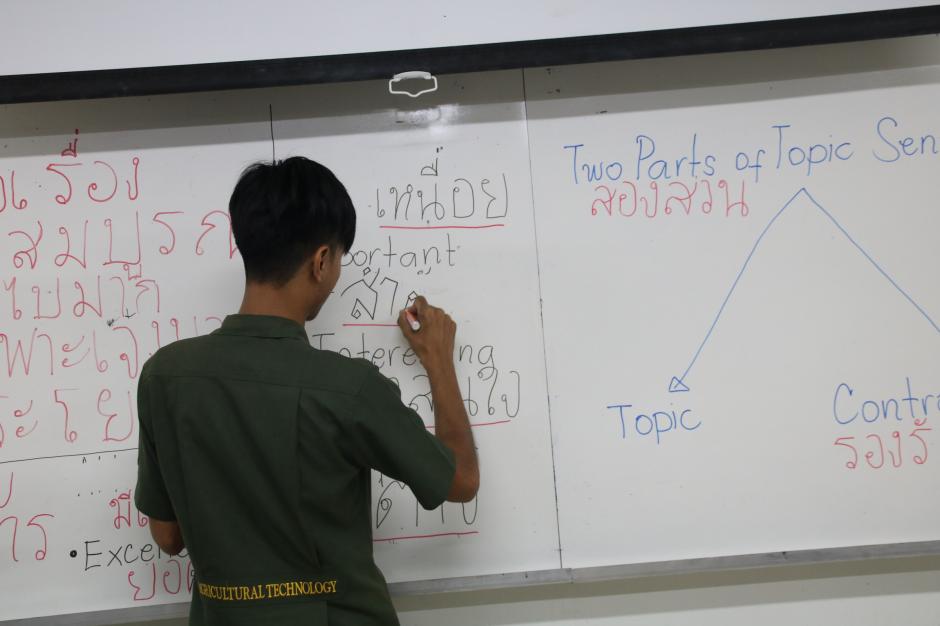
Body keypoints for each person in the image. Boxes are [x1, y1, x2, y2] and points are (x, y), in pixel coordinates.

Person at [134, 156, 479, 625]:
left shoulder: (163, 377)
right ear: (321, 261)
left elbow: (168, 536)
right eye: (338, 260)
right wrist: (438, 361)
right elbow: (460, 480)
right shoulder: (349, 388)